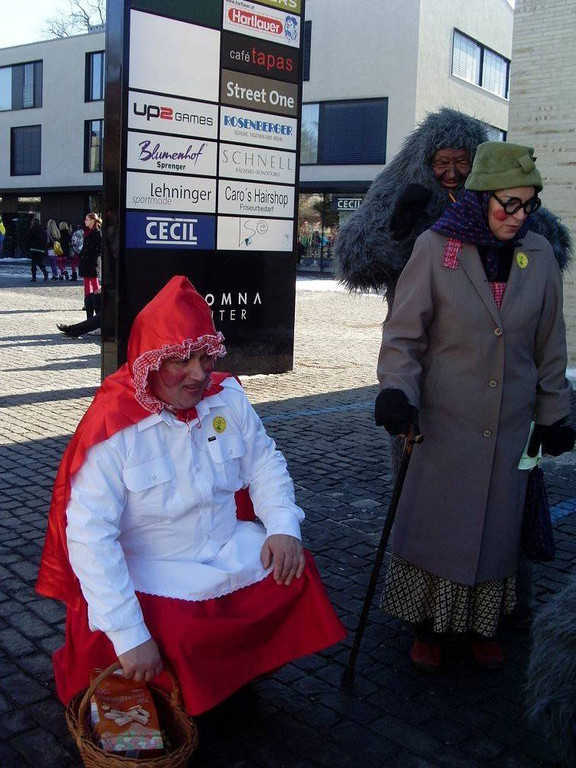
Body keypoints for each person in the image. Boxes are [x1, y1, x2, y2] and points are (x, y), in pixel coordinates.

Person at [36, 276, 345, 713]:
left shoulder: (227, 397)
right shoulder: (112, 428)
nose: (200, 374)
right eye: (182, 360)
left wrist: (282, 526)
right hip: (154, 570)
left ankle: (235, 675)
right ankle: (186, 688)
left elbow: (264, 461)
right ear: (151, 362)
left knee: (295, 573)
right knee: (172, 632)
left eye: (205, 357)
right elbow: (89, 536)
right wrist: (128, 634)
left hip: (224, 548)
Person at [375, 142, 574, 672]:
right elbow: (404, 335)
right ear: (483, 196)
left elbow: (550, 347)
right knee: (438, 528)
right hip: (444, 423)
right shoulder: (436, 247)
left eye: (528, 204)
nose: (519, 215)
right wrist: (396, 391)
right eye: (510, 203)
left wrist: (555, 414)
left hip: (510, 425)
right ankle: (428, 626)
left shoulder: (540, 256)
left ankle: (482, 624)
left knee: (497, 531)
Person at [79, 212, 102, 303]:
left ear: (92, 220)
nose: (85, 221)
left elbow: (100, 248)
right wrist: (81, 255)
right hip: (86, 260)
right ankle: (87, 303)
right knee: (86, 282)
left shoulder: (97, 233)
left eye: (87, 219)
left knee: (94, 281)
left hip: (93, 261)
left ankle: (97, 302)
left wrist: (93, 256)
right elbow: (85, 246)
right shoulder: (87, 232)